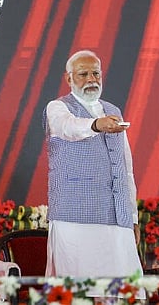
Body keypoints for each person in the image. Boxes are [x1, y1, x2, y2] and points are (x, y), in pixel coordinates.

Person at [43, 50, 141, 277]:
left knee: (118, 290)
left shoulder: (113, 111)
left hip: (116, 217)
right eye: (83, 74)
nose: (91, 79)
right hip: (74, 218)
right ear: (69, 79)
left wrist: (132, 217)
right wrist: (97, 125)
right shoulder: (58, 107)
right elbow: (68, 127)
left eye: (95, 73)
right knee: (77, 292)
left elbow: (125, 169)